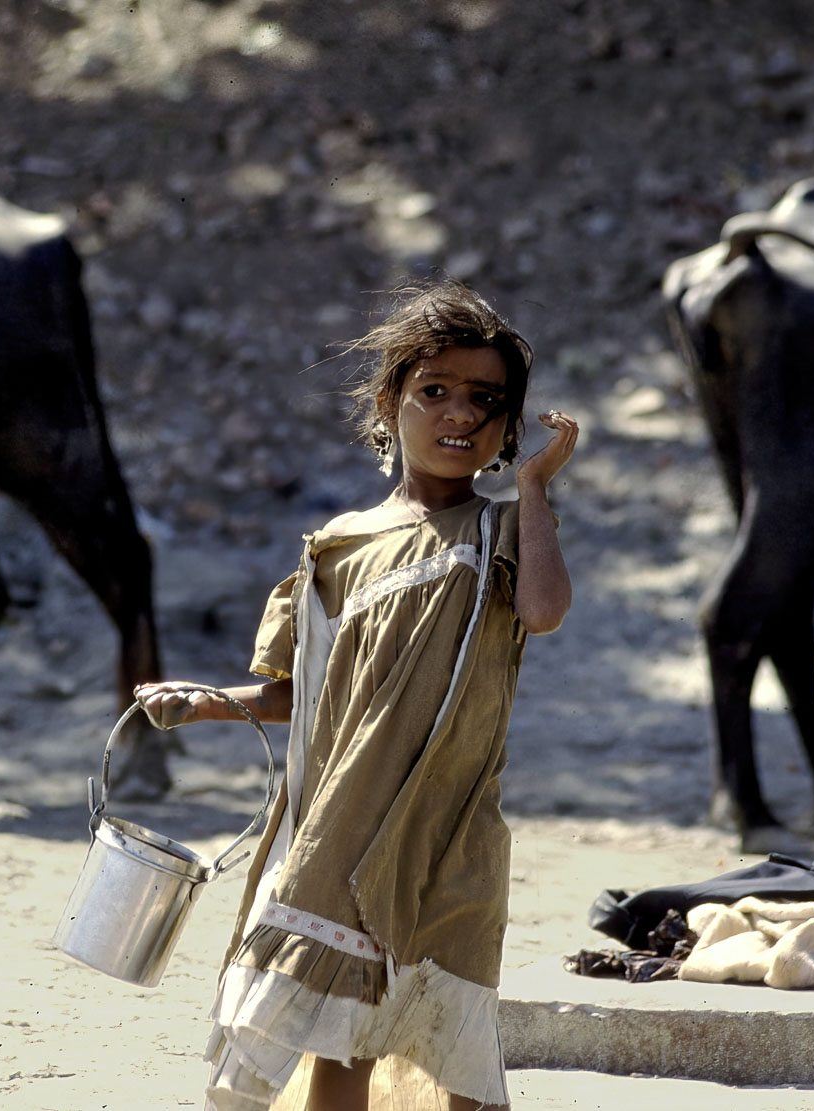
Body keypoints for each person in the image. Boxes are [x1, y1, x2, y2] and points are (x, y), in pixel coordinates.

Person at [136, 279, 577, 1111]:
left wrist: (535, 487)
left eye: (485, 400)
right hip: (347, 826)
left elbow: (545, 612)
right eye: (433, 392)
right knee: (344, 1040)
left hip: (453, 832)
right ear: (389, 401)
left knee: (457, 1040)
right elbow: (297, 694)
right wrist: (203, 702)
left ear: (509, 425)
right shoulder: (336, 549)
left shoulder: (504, 527)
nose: (458, 416)